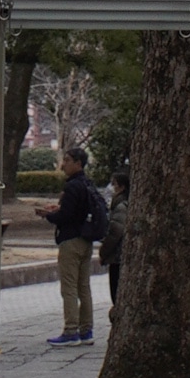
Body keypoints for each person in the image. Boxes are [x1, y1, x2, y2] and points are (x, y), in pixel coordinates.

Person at [38, 148, 105, 347]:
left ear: (77, 163)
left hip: (70, 241)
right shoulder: (88, 184)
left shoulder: (72, 186)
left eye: (67, 160)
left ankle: (71, 330)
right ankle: (86, 330)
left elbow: (66, 216)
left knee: (69, 287)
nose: (63, 164)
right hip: (86, 240)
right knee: (84, 287)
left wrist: (48, 215)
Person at [101, 161, 130, 304]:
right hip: (118, 256)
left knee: (116, 292)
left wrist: (104, 251)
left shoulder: (121, 206)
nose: (111, 188)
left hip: (118, 256)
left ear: (122, 187)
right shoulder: (119, 204)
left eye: (114, 184)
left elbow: (115, 232)